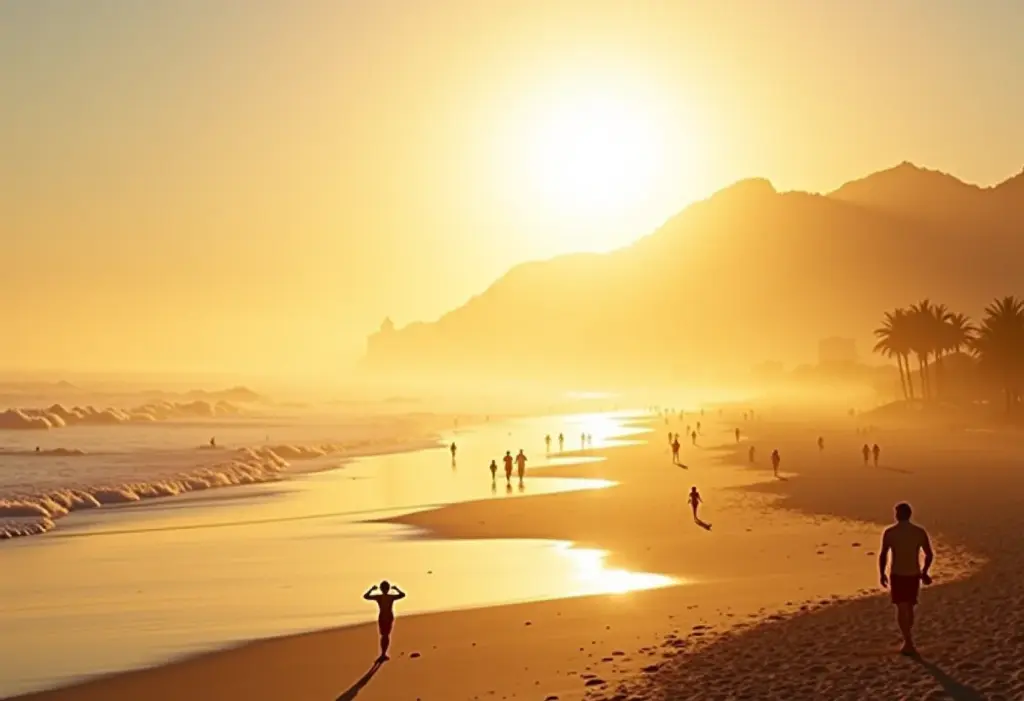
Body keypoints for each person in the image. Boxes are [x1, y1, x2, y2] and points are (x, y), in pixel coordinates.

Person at [879, 503, 933, 655]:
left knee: (903, 608)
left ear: (898, 515)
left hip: (898, 574)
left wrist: (882, 573)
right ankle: (908, 640)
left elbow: (883, 554)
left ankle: (908, 641)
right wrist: (924, 572)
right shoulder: (918, 532)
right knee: (908, 607)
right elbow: (929, 555)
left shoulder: (890, 532)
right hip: (913, 574)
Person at [363, 580, 406, 661]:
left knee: (384, 635)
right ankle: (383, 653)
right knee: (385, 635)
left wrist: (371, 590)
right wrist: (396, 589)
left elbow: (366, 596)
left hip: (385, 616)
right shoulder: (388, 597)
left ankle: (383, 653)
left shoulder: (382, 597)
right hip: (386, 616)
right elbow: (402, 594)